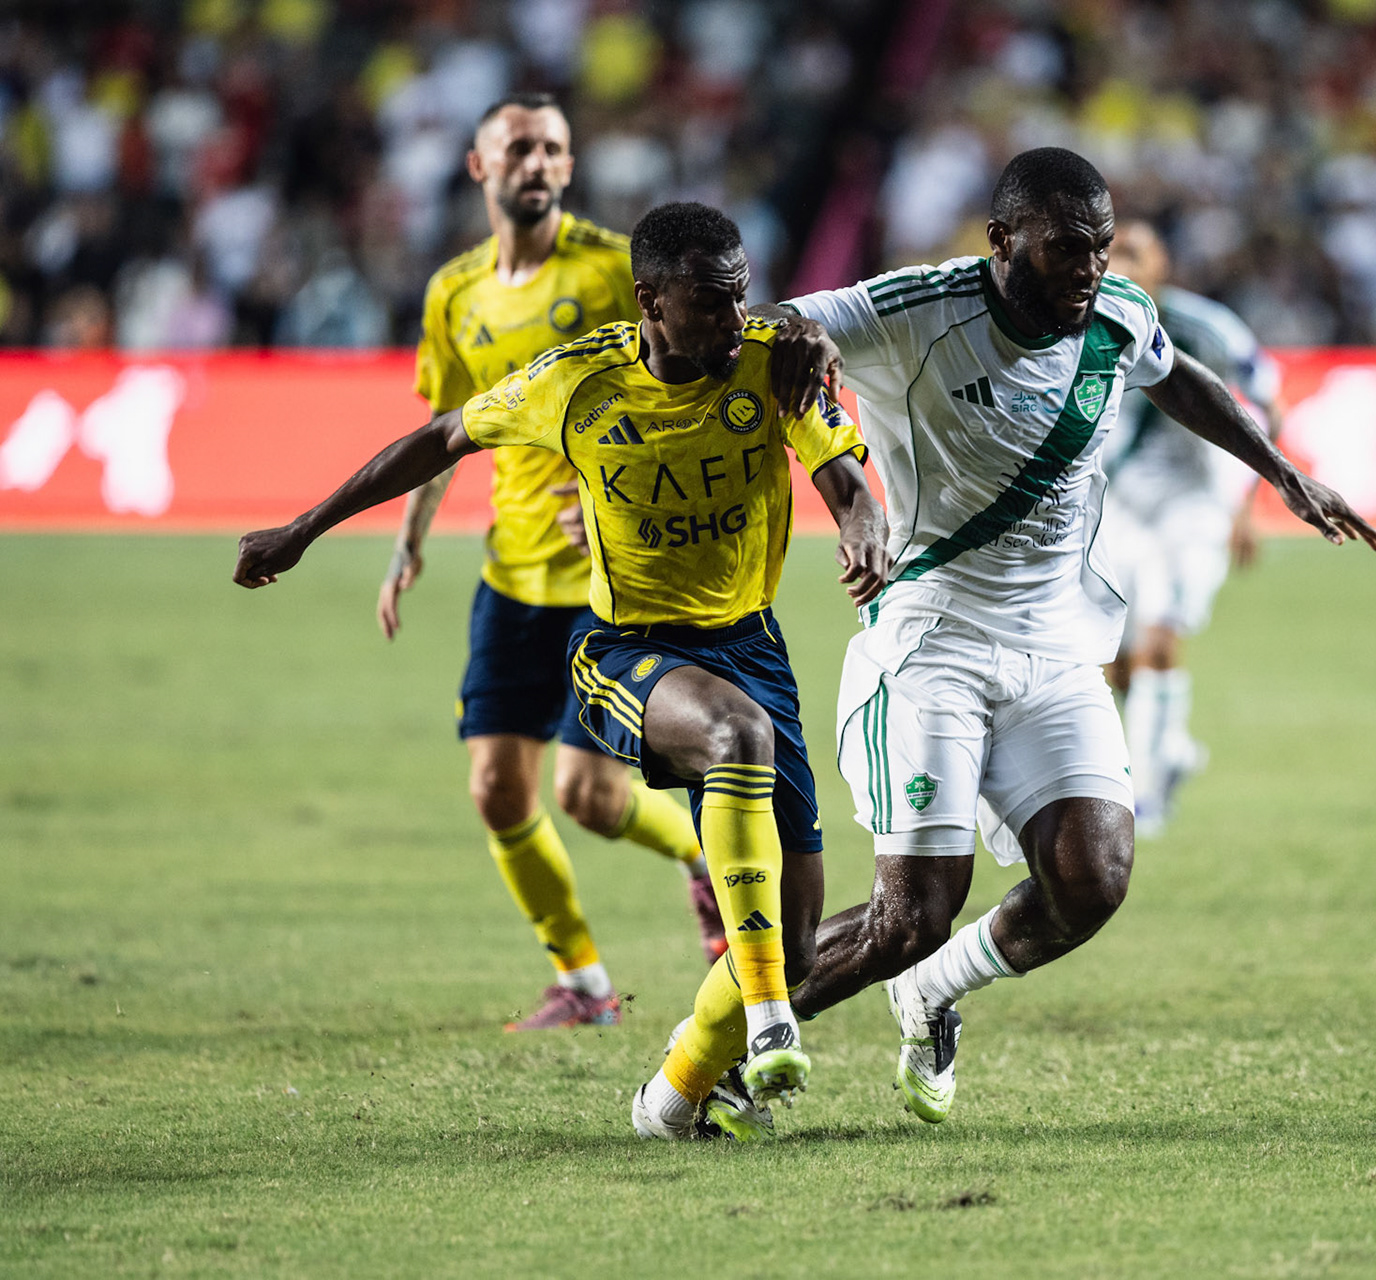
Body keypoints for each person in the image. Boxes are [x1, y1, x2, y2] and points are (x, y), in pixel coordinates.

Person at [234, 202, 887, 1140]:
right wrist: (304, 527)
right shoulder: (576, 381)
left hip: (753, 646)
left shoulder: (771, 363)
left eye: (741, 295)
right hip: (631, 650)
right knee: (733, 744)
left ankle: (673, 1096)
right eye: (709, 301)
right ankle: (770, 1017)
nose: (730, 316)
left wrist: (861, 521)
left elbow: (845, 480)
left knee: (801, 931)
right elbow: (440, 438)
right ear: (649, 301)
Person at [763, 147, 1376, 1125]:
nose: (1090, 267)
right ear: (1003, 241)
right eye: (1066, 249)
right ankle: (716, 1049)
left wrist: (1282, 472)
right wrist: (795, 338)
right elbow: (781, 322)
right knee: (909, 912)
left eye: (1100, 246)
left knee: (1093, 879)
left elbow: (1180, 380)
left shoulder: (1122, 314)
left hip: (1056, 647)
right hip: (935, 638)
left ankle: (933, 989)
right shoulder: (919, 306)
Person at [382, 92, 726, 1032]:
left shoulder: (619, 271)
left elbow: (689, 383)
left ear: (569, 167)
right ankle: (583, 983)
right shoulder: (455, 291)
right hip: (510, 573)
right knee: (498, 791)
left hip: (607, 582)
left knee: (589, 794)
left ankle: (703, 862)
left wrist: (626, 485)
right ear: (478, 166)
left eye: (553, 148)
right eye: (519, 147)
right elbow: (444, 431)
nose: (537, 162)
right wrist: (408, 542)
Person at [1100, 219, 1285, 836]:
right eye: (1112, 251)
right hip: (1117, 506)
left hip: (1191, 506)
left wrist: (1245, 505)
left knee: (1158, 643)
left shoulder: (1206, 327)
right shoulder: (1077, 324)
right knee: (1111, 664)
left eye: (1134, 251)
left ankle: (1144, 794)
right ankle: (1170, 749)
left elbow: (1267, 402)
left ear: (1161, 267)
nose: (1120, 261)